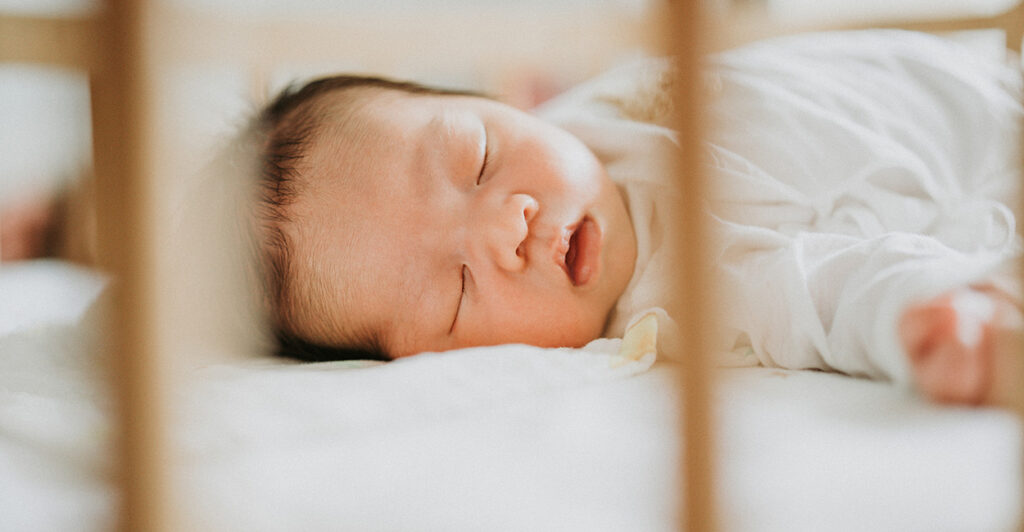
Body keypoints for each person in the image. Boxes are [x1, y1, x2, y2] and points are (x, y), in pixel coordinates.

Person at [249, 30, 1023, 405]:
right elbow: (825, 290)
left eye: (478, 158)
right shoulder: (684, 299)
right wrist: (923, 314)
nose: (506, 228)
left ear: (497, 104)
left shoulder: (627, 110)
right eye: (454, 290)